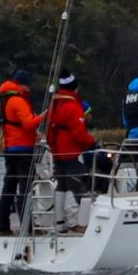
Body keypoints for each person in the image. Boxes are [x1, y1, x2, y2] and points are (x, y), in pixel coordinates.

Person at [47, 71, 104, 207]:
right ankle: (77, 217)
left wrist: (53, 148)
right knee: (77, 185)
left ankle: (59, 217)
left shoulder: (55, 105)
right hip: (72, 153)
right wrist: (92, 142)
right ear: (74, 87)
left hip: (58, 154)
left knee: (62, 186)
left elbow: (49, 131)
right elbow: (79, 134)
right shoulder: (73, 106)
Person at [0, 67, 41, 233]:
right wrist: (44, 115)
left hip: (9, 149)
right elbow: (28, 124)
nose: (29, 89)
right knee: (25, 188)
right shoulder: (18, 101)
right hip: (23, 149)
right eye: (28, 86)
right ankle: (27, 227)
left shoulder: (4, 101)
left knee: (9, 187)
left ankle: (2, 225)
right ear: (23, 85)